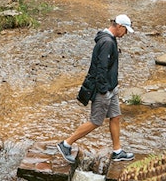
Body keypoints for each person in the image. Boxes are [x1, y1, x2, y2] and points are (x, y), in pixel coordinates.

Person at [57, 14, 135, 163]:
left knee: (116, 117)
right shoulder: (107, 42)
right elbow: (101, 68)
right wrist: (104, 90)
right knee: (95, 121)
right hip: (104, 90)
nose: (125, 34)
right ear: (119, 26)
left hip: (111, 88)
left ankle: (117, 151)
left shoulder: (109, 39)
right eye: (125, 30)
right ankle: (66, 144)